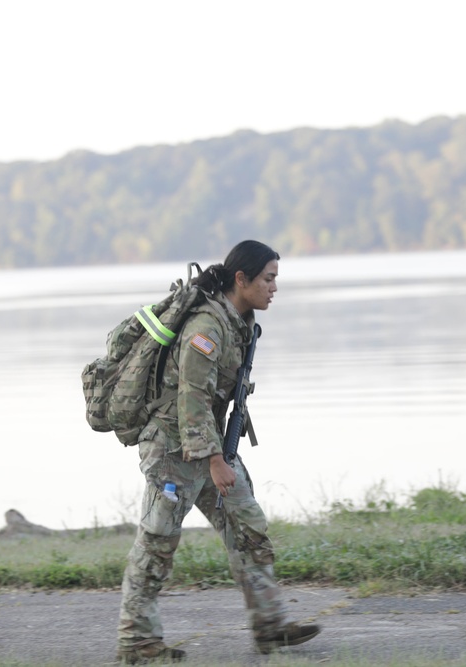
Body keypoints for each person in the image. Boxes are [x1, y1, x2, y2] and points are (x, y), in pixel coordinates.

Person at [116, 240, 321, 664]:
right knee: (156, 544)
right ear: (241, 279)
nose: (274, 288)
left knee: (250, 531)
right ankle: (137, 644)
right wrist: (214, 461)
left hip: (209, 448)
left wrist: (218, 457)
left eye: (276, 279)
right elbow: (191, 399)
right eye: (268, 279)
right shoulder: (208, 328)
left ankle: (270, 628)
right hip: (174, 450)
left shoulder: (239, 322)